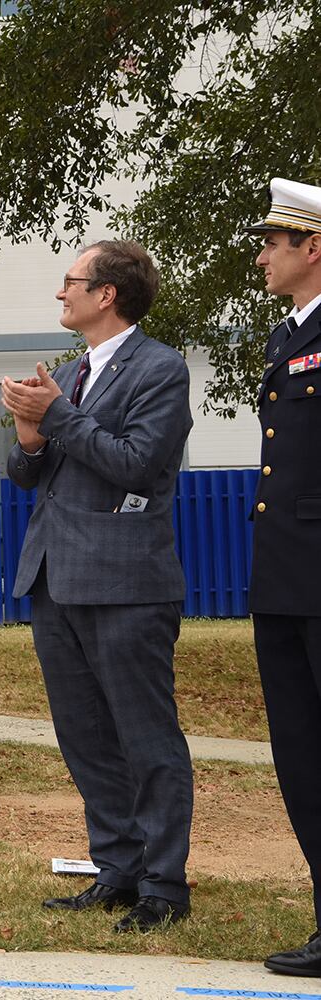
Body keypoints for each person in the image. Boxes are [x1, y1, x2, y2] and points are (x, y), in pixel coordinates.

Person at [0, 240, 194, 934]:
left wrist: (55, 417)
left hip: (126, 583)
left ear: (106, 293)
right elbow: (34, 476)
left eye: (70, 282)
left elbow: (139, 464)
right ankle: (118, 867)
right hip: (56, 577)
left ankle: (164, 885)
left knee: (146, 738)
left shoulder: (160, 368)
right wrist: (27, 434)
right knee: (84, 736)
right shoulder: (72, 373)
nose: (61, 294)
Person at [244, 177, 321, 978]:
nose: (263, 255)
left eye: (274, 241)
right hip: (286, 576)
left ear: (314, 247)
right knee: (300, 754)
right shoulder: (284, 337)